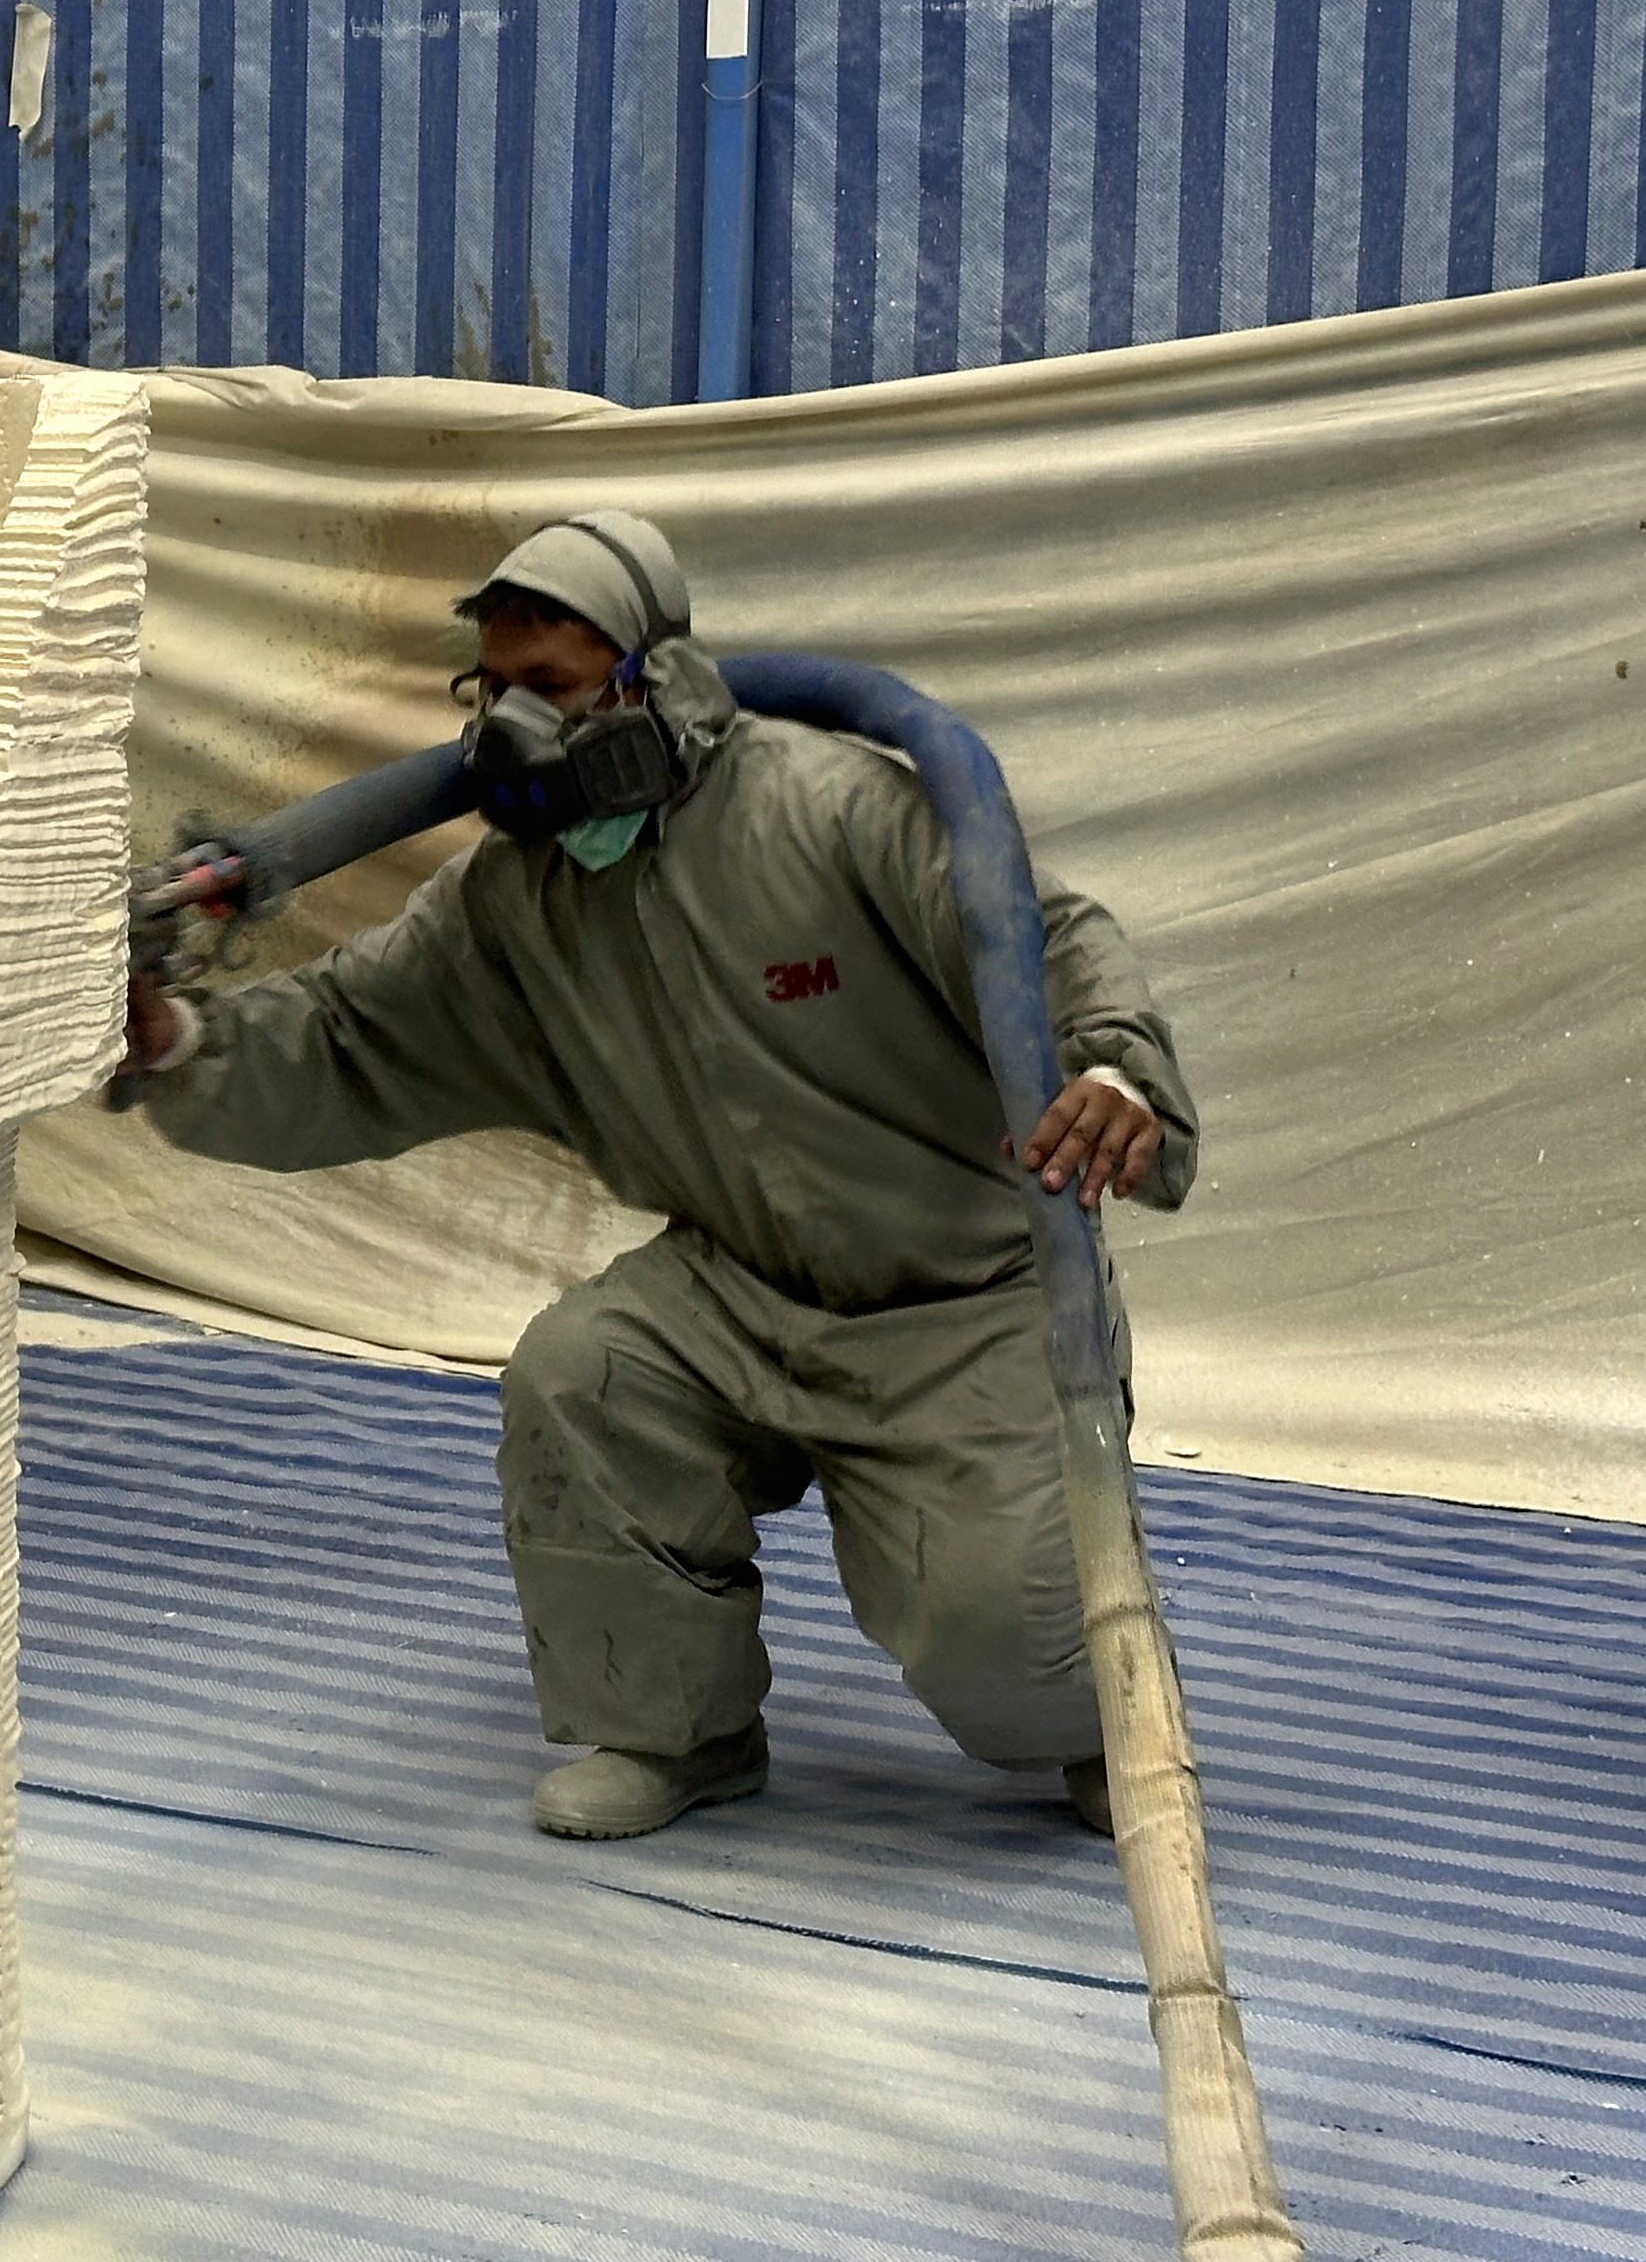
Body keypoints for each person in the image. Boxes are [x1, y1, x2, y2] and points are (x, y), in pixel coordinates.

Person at [117, 513, 1192, 1843]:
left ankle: (1093, 1715)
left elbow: (1051, 935)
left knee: (1004, 1652)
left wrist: (1116, 1075)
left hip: (963, 1308)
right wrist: (173, 1040)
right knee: (582, 1378)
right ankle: (677, 1731)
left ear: (657, 682)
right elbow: (345, 1039)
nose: (511, 726)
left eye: (551, 686)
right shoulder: (514, 905)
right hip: (734, 1288)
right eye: (491, 690)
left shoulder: (834, 810)